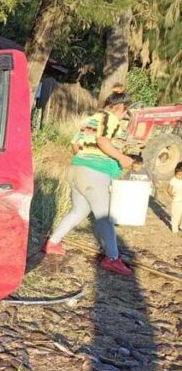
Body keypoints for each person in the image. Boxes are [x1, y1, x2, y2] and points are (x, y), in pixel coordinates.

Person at [44, 92, 135, 276]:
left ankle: (53, 242)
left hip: (77, 169)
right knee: (104, 217)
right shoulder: (110, 119)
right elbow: (102, 141)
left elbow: (75, 146)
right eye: (125, 111)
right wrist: (121, 158)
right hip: (95, 173)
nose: (124, 116)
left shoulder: (89, 120)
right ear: (120, 107)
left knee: (79, 210)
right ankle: (112, 258)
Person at [170, 165, 182, 234]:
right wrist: (171, 195)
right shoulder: (173, 180)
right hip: (176, 200)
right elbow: (169, 189)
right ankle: (174, 229)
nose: (180, 176)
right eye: (178, 175)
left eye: (181, 175)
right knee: (175, 215)